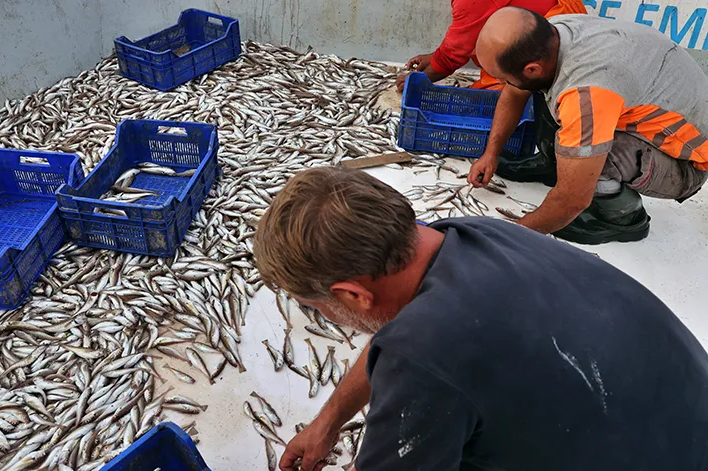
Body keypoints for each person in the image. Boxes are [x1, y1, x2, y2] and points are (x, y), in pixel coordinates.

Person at [253, 166, 708, 471]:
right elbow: (407, 332)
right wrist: (328, 421)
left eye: (316, 307)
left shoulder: (424, 353)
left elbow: (417, 349)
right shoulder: (471, 234)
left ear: (352, 295)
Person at [468, 9, 708, 244]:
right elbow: (516, 90)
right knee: (544, 88)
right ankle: (554, 164)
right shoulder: (552, 33)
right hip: (646, 99)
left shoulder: (588, 92)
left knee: (589, 141)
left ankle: (622, 216)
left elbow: (572, 200)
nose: (503, 84)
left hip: (686, 161)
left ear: (532, 67)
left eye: (504, 78)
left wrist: (508, 236)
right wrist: (492, 153)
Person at [395, 0, 586, 92]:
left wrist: (416, 80)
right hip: (561, 29)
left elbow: (454, 53)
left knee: (479, 103)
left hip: (551, 54)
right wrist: (434, 56)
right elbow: (464, 37)